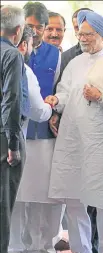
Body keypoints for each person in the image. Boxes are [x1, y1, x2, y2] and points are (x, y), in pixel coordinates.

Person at [45, 10, 103, 253]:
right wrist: (57, 100)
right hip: (74, 141)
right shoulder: (75, 63)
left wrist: (102, 98)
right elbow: (66, 92)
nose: (82, 38)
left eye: (87, 34)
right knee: (74, 201)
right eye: (80, 34)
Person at [14, 2, 64, 252]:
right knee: (18, 194)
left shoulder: (56, 54)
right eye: (29, 26)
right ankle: (18, 244)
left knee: (43, 193)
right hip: (18, 133)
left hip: (44, 134)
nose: (33, 32)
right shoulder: (12, 51)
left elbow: (57, 91)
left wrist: (54, 110)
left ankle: (43, 244)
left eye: (39, 27)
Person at [8, 25, 54, 252]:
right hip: (10, 143)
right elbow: (37, 111)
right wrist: (50, 107)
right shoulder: (23, 70)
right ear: (23, 44)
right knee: (12, 199)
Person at [0, 5, 26, 253]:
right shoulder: (11, 54)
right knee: (2, 206)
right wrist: (13, 145)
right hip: (2, 137)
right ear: (18, 30)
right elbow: (12, 100)